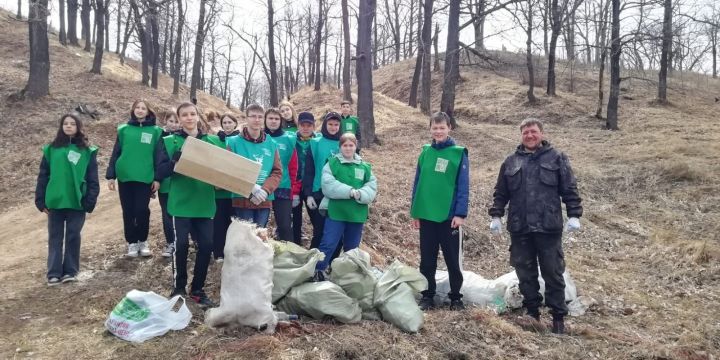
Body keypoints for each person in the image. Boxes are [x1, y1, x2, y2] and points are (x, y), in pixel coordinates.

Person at [488, 118, 582, 335]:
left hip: (548, 227)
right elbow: (501, 193)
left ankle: (558, 317)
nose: (529, 136)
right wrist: (496, 215)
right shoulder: (510, 162)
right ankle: (532, 312)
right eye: (525, 132)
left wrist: (574, 214)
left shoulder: (557, 158)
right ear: (521, 135)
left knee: (553, 272)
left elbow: (569, 188)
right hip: (520, 227)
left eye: (533, 132)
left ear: (541, 133)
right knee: (524, 272)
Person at [154, 102, 222, 307]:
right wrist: (175, 162)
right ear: (180, 118)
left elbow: (222, 170)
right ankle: (179, 287)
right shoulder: (169, 141)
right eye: (185, 115)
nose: (189, 118)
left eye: (193, 114)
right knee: (181, 245)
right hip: (181, 202)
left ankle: (198, 289)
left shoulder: (213, 142)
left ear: (198, 117)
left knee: (207, 245)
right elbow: (161, 172)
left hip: (204, 201)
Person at [410, 111, 469, 311]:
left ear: (449, 128)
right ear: (430, 129)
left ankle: (455, 297)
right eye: (435, 128)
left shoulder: (458, 153)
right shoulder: (425, 151)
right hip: (427, 214)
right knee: (427, 258)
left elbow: (463, 185)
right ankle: (428, 295)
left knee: (452, 259)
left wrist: (460, 214)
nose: (438, 131)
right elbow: (418, 183)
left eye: (442, 127)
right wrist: (415, 212)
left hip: (449, 216)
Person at [35, 113, 99, 286]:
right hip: (55, 202)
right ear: (61, 127)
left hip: (77, 202)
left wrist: (90, 200)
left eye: (72, 124)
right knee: (55, 237)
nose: (69, 126)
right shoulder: (51, 150)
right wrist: (40, 200)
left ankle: (70, 270)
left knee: (73, 235)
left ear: (78, 127)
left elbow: (93, 178)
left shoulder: (87, 151)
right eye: (65, 123)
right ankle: (54, 273)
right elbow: (43, 176)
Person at [314, 134, 377, 280]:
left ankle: (349, 276)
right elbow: (328, 184)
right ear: (340, 147)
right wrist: (349, 192)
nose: (348, 148)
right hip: (336, 211)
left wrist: (361, 194)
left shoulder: (365, 167)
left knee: (352, 248)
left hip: (357, 213)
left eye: (351, 145)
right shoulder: (332, 163)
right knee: (328, 243)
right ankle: (319, 270)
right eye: (345, 145)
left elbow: (372, 186)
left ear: (356, 146)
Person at [106, 99, 163, 257]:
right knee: (128, 210)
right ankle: (132, 242)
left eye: (143, 108)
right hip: (125, 176)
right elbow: (116, 152)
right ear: (133, 110)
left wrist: (157, 178)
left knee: (141, 210)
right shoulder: (123, 129)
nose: (139, 110)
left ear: (148, 111)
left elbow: (159, 156)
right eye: (137, 107)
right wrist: (111, 175)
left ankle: (142, 241)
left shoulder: (156, 131)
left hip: (145, 177)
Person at [226, 104, 282, 227]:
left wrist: (266, 190)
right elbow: (229, 169)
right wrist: (250, 188)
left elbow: (277, 172)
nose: (257, 120)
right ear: (246, 118)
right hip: (242, 198)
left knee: (259, 237)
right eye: (253, 116)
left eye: (260, 117)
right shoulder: (234, 142)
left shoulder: (271, 143)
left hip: (263, 198)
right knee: (245, 238)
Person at [303, 112, 342, 249]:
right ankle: (313, 263)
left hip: (338, 194)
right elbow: (309, 170)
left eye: (336, 124)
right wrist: (308, 194)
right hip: (318, 192)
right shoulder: (315, 143)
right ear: (325, 125)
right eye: (330, 124)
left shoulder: (345, 143)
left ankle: (330, 263)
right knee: (319, 231)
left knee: (336, 232)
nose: (333, 127)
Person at [264, 108, 300, 242]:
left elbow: (294, 166)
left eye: (276, 119)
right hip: (260, 187)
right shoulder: (259, 137)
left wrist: (293, 189)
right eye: (270, 118)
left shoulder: (289, 139)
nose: (273, 121)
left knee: (284, 225)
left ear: (281, 121)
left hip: (283, 187)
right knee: (258, 226)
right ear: (265, 120)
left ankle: (288, 255)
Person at [212, 113, 241, 262]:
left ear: (235, 124)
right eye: (225, 122)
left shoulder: (241, 141)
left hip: (235, 191)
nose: (227, 125)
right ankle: (218, 252)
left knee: (234, 223)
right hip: (218, 191)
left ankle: (233, 252)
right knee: (219, 223)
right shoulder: (215, 140)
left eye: (230, 122)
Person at [292, 111, 319, 245]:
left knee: (316, 218)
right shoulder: (291, 139)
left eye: (309, 125)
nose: (306, 128)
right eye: (303, 125)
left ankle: (317, 249)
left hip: (311, 186)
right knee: (295, 220)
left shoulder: (318, 141)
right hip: (294, 185)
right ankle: (295, 247)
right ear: (298, 126)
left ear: (313, 126)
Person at [157, 111, 180, 257]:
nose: (173, 124)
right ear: (166, 121)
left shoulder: (184, 137)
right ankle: (171, 242)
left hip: (180, 182)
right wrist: (156, 179)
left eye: (176, 121)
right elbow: (156, 160)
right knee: (167, 213)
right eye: (171, 121)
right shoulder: (160, 138)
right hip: (165, 182)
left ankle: (187, 241)